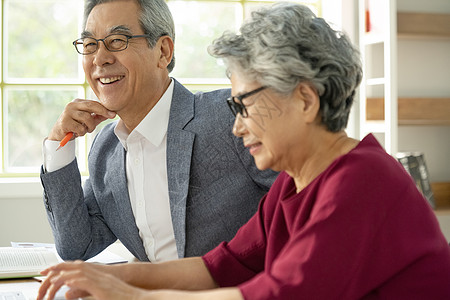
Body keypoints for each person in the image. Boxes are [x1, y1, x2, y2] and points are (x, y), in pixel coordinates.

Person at [38, 2, 450, 300]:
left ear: (305, 101)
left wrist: (132, 294)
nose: (237, 124)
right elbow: (219, 266)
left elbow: (275, 294)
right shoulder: (291, 188)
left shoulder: (364, 180)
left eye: (244, 105)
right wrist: (111, 279)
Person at [40, 0, 277, 263]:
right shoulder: (105, 149)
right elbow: (77, 246)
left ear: (163, 51)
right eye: (90, 45)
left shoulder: (229, 117)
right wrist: (57, 145)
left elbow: (302, 207)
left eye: (118, 40)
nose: (100, 59)